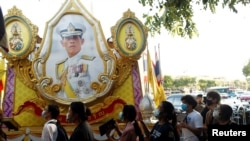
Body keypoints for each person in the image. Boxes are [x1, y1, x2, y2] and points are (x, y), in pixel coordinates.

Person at [56, 22, 95, 99]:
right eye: (68, 38)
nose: (72, 41)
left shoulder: (91, 62)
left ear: (82, 41)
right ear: (62, 43)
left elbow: (97, 88)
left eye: (75, 37)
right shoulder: (60, 66)